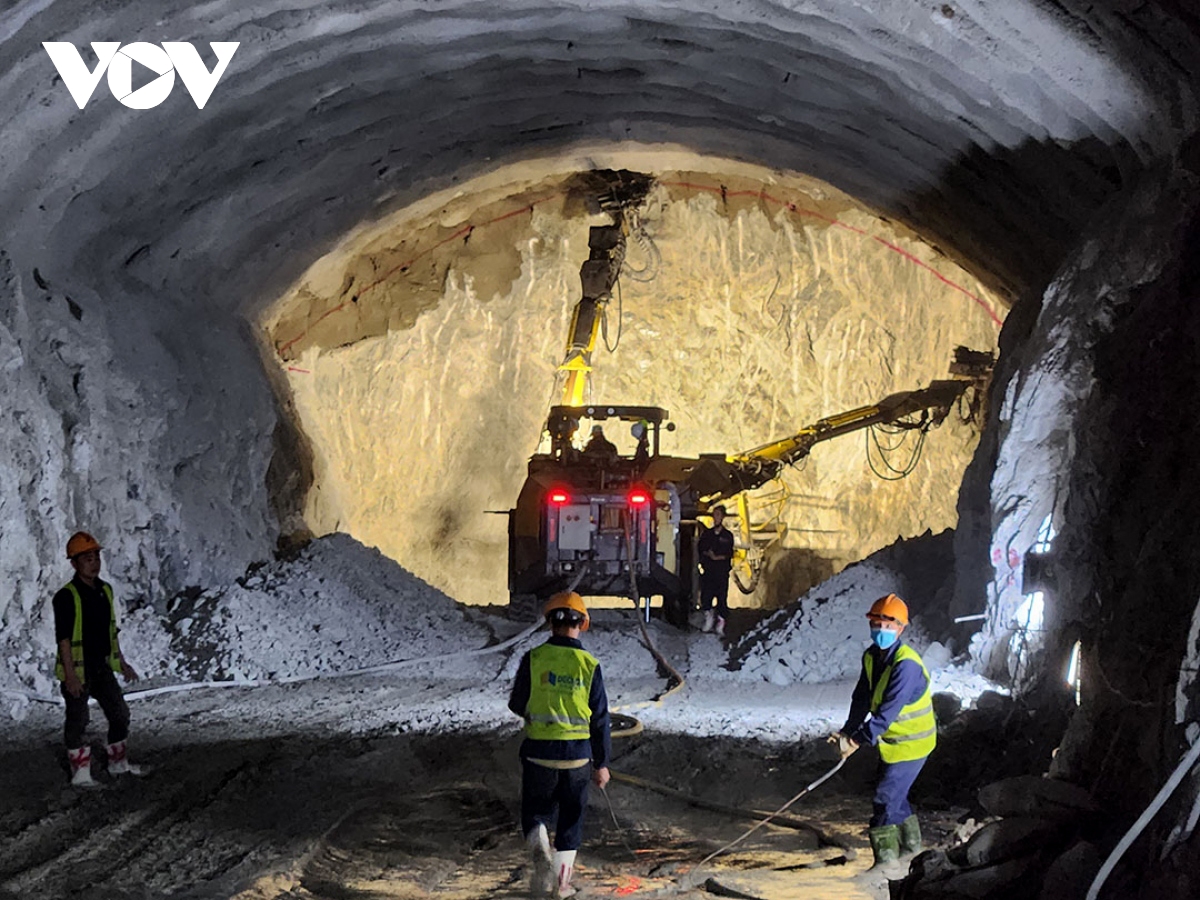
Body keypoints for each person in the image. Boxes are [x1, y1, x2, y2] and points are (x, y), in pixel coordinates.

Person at [509, 592, 611, 898]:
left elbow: (517, 703)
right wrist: (602, 763)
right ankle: (561, 886)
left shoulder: (534, 659)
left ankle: (539, 840)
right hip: (578, 758)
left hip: (539, 753)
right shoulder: (589, 665)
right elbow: (600, 719)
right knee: (571, 819)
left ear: (550, 623)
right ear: (582, 624)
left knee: (536, 812)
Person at [829, 593, 936, 868]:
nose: (881, 630)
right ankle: (912, 853)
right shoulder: (872, 657)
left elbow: (886, 713)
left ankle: (885, 868)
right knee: (896, 799)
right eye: (877, 624)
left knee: (885, 798)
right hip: (895, 743)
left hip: (914, 743)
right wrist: (848, 730)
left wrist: (856, 740)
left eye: (888, 626)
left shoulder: (906, 665)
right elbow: (862, 698)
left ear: (901, 628)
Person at [52, 531, 142, 786]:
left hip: (101, 667)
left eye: (95, 557)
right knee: (78, 720)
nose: (94, 562)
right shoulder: (66, 596)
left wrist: (122, 663)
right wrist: (70, 675)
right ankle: (80, 775)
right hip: (80, 671)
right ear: (74, 563)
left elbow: (110, 631)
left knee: (120, 713)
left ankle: (117, 763)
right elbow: (64, 639)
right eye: (87, 558)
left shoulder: (105, 590)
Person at [696, 506, 734, 636]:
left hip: (722, 572)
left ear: (722, 517)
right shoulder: (707, 534)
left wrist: (717, 557)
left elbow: (729, 553)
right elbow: (701, 549)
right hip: (709, 571)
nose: (715, 517)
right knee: (706, 596)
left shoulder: (727, 536)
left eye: (718, 515)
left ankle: (721, 623)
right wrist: (707, 556)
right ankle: (708, 618)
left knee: (722, 597)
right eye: (714, 515)